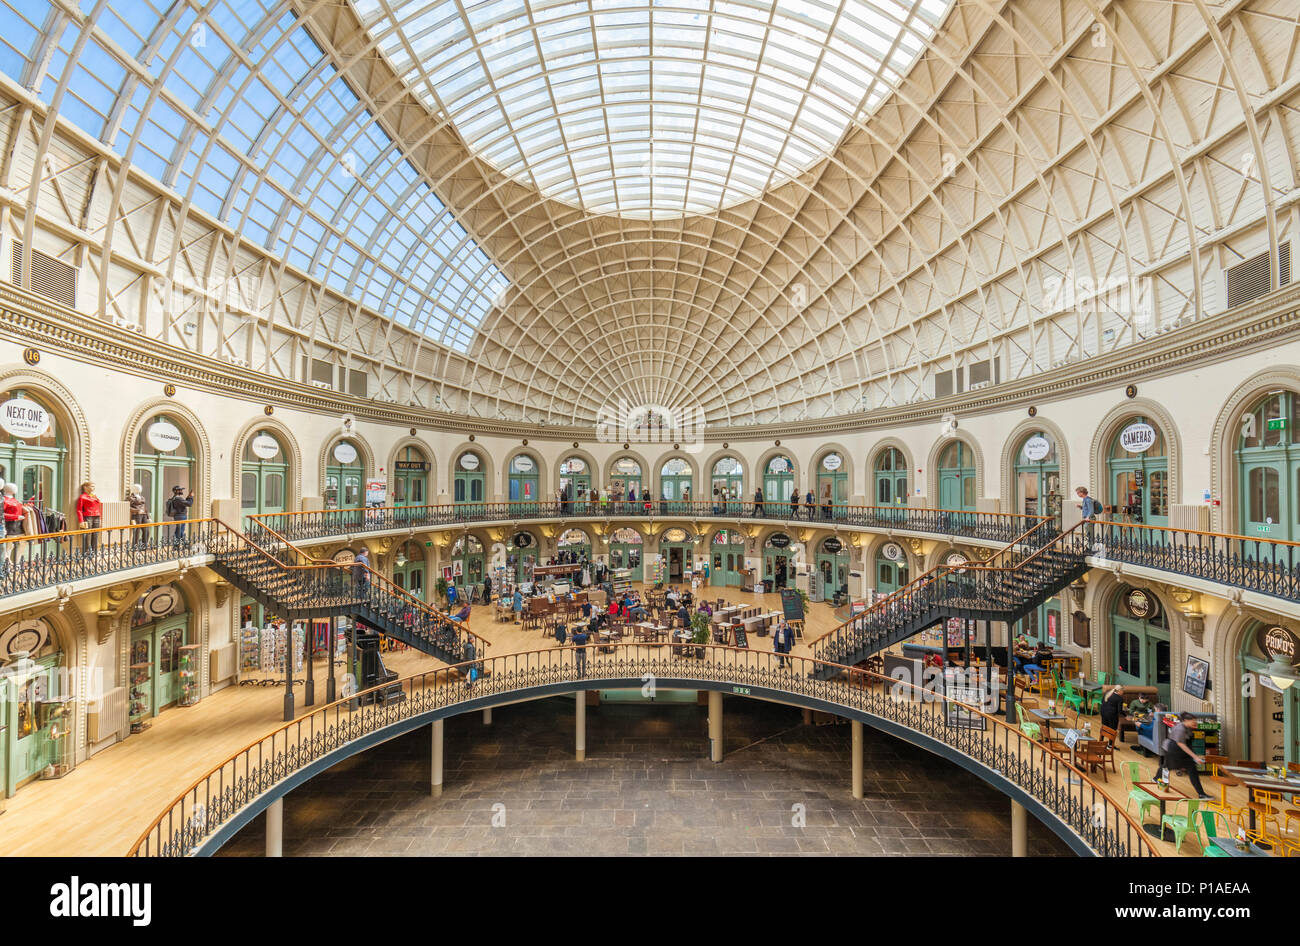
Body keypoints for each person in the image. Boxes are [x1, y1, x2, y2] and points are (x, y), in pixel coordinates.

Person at [1158, 712, 1209, 798]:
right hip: (1174, 749)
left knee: (1168, 767)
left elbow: (1188, 743)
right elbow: (1181, 744)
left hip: (1178, 750)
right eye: (1193, 721)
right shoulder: (1180, 729)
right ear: (1185, 720)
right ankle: (1201, 794)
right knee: (1168, 767)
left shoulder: (1188, 727)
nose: (1195, 723)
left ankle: (1201, 793)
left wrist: (1195, 755)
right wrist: (1195, 757)